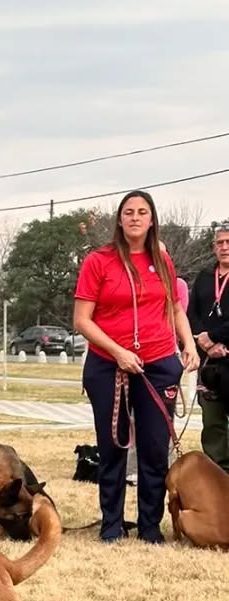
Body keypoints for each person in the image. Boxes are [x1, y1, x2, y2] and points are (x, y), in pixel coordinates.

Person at [73, 190, 199, 544]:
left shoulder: (162, 260)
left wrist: (188, 344)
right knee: (112, 448)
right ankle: (111, 524)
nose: (135, 218)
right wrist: (117, 352)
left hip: (157, 362)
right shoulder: (98, 261)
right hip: (108, 364)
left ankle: (149, 526)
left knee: (155, 448)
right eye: (128, 212)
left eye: (142, 212)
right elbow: (82, 320)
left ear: (152, 219)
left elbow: (175, 308)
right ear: (119, 219)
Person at [187, 222, 229, 472]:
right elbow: (191, 314)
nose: (224, 247)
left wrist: (213, 337)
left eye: (228, 243)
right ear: (214, 247)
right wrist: (204, 341)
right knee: (212, 424)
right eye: (220, 243)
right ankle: (219, 476)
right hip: (209, 364)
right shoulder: (204, 278)